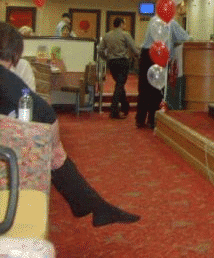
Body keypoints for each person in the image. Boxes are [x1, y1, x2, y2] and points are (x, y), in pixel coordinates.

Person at [0, 22, 140, 227]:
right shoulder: (4, 76)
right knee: (52, 150)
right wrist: (53, 141)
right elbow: (45, 113)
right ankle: (93, 205)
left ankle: (93, 205)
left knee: (53, 151)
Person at [137, 10, 189, 129]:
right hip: (158, 55)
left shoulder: (152, 20)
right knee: (156, 89)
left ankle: (140, 119)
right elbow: (185, 37)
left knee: (144, 88)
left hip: (146, 54)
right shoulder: (171, 23)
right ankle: (152, 120)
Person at [98, 18, 139, 120]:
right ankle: (114, 110)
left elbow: (100, 50)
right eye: (124, 24)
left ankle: (125, 106)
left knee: (119, 85)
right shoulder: (125, 34)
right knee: (119, 85)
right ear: (121, 24)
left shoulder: (107, 35)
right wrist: (138, 55)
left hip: (112, 63)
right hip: (122, 62)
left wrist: (106, 58)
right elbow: (134, 49)